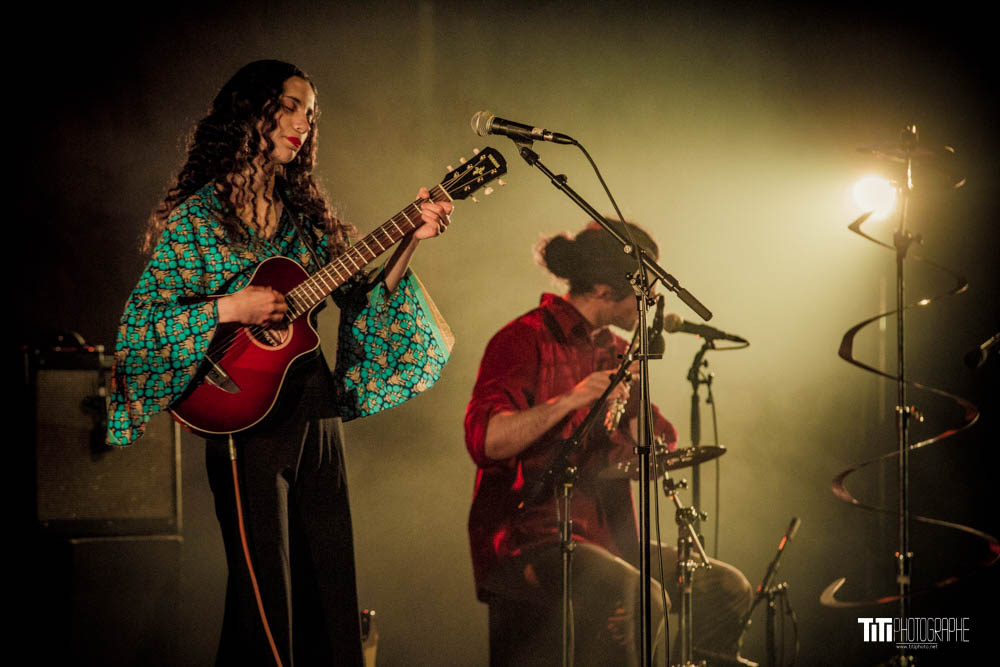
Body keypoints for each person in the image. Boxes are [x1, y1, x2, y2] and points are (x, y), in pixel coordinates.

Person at [107, 60, 455, 666]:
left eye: (310, 113)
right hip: (238, 410)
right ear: (252, 112)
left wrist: (409, 240)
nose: (303, 122)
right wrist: (230, 306)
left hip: (311, 403)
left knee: (330, 576)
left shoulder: (304, 219)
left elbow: (363, 299)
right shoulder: (198, 221)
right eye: (291, 106)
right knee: (262, 590)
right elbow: (140, 331)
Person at [465, 221, 753, 666]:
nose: (651, 302)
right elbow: (488, 441)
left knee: (724, 587)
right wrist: (573, 398)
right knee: (640, 596)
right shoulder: (523, 338)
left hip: (610, 539)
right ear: (602, 290)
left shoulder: (620, 351)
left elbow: (650, 449)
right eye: (642, 292)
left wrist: (636, 405)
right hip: (532, 536)